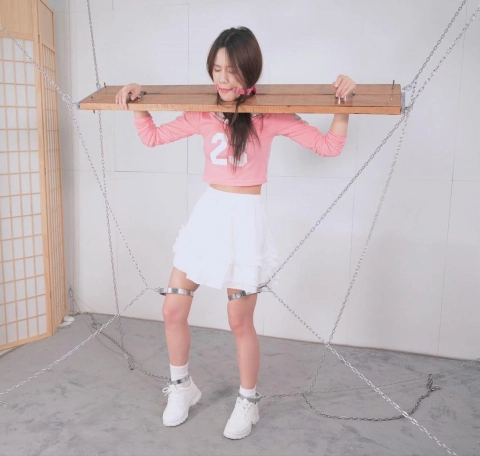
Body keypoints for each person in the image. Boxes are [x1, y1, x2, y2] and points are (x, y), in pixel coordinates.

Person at [115, 26, 354, 440]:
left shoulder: (271, 115)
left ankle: (248, 401)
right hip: (209, 215)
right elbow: (152, 137)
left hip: (245, 221)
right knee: (172, 309)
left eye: (232, 70)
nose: (223, 80)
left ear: (250, 70)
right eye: (216, 69)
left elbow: (329, 146)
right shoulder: (203, 113)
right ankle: (182, 388)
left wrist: (344, 104)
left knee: (239, 320)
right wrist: (139, 102)